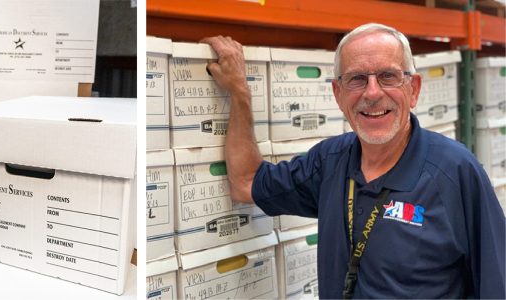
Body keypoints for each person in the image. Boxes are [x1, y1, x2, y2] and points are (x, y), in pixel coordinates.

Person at [201, 23, 505, 299]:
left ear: (413, 89)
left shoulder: (455, 172)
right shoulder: (329, 162)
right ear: (338, 93)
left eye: (388, 76)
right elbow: (247, 183)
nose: (372, 93)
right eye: (357, 79)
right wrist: (239, 92)